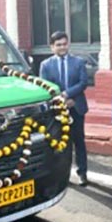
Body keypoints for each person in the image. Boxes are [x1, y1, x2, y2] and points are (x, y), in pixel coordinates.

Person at [39, 31, 90, 186]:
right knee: (61, 143)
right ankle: (63, 175)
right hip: (57, 110)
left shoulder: (79, 62)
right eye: (58, 45)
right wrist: (61, 100)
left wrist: (68, 95)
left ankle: (82, 173)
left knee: (79, 141)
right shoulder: (46, 65)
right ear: (52, 47)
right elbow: (45, 87)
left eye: (64, 44)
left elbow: (83, 83)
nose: (62, 47)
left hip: (76, 107)